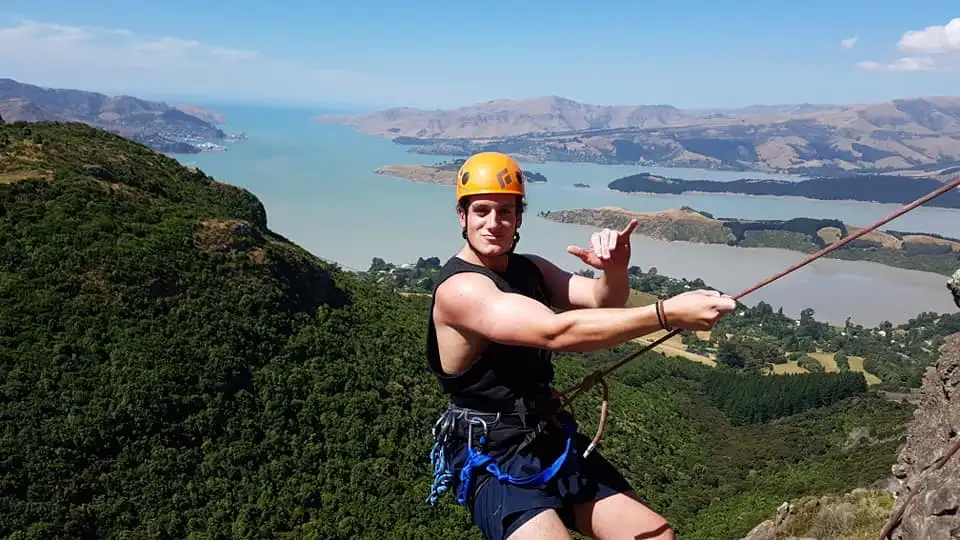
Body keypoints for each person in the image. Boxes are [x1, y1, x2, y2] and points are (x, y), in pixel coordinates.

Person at [425, 151, 736, 540]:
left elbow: (603, 300)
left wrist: (615, 269)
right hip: (493, 453)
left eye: (505, 212)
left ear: (519, 218)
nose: (494, 223)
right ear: (462, 217)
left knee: (657, 536)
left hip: (545, 434)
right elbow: (555, 332)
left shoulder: (529, 269)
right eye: (482, 211)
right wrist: (665, 314)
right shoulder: (461, 289)